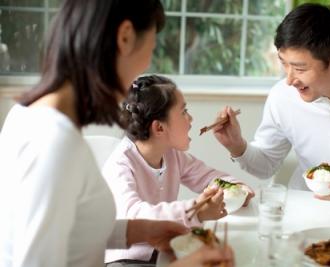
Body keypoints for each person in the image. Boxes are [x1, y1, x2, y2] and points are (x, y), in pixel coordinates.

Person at [0, 1, 233, 267]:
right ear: (124, 37)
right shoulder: (54, 142)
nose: (144, 69)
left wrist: (141, 230)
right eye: (151, 49)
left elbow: (70, 232)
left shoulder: (25, 114)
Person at [213, 3, 330, 206]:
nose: (289, 79)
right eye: (284, 63)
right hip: (304, 211)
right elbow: (265, 166)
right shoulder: (283, 96)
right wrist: (237, 146)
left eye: (300, 68)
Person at [103, 74, 254, 265]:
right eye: (184, 111)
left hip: (162, 253)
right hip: (125, 260)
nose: (191, 119)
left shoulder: (172, 155)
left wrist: (236, 188)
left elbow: (209, 178)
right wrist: (196, 211)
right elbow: (135, 215)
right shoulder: (120, 165)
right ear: (159, 128)